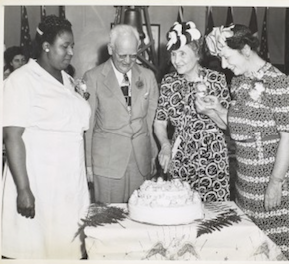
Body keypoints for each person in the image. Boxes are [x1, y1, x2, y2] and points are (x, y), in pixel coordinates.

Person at [203, 24, 289, 260]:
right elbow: (238, 127)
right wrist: (215, 110)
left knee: (273, 250)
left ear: (246, 49)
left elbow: (288, 136)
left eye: (226, 57)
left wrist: (275, 183)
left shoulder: (277, 82)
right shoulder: (238, 82)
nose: (224, 66)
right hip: (244, 185)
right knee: (249, 249)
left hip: (271, 183)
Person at [2, 15, 90, 259]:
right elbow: (12, 137)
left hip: (69, 182)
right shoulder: (22, 81)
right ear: (46, 46)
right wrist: (23, 189)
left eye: (72, 45)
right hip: (40, 181)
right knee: (36, 248)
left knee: (67, 247)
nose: (71, 52)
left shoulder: (68, 80)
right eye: (65, 46)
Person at [154, 21, 231, 202]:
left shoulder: (216, 79)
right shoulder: (168, 81)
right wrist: (165, 146)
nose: (176, 60)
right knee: (181, 208)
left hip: (211, 155)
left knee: (214, 215)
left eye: (182, 53)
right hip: (180, 154)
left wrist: (211, 111)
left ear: (196, 55)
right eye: (173, 54)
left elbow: (228, 125)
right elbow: (160, 121)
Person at [84, 24, 159, 204]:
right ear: (111, 49)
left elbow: (151, 121)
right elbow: (88, 124)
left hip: (141, 162)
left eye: (133, 55)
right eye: (122, 55)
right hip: (107, 163)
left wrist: (152, 156)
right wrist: (87, 164)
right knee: (109, 220)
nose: (127, 61)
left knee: (141, 217)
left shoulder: (148, 77)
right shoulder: (93, 78)